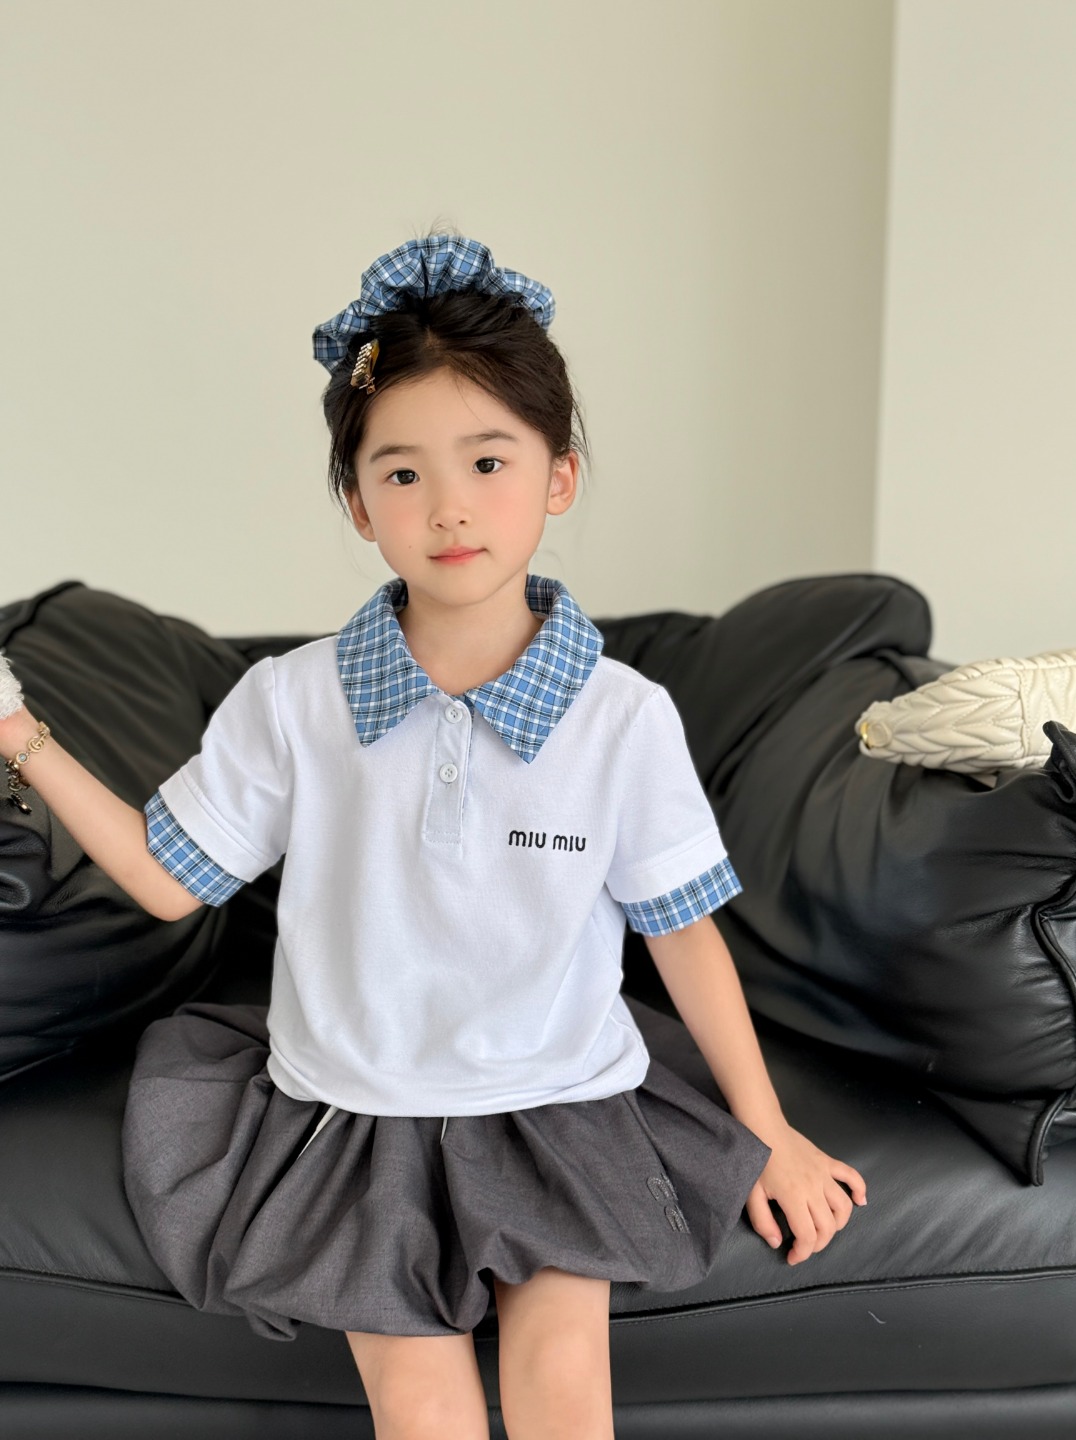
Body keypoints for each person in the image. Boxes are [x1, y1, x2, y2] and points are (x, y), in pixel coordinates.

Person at [0, 233, 867, 1440]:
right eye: (401, 473)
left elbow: (683, 936)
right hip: (356, 1116)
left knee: (564, 1388)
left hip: (563, 1103)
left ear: (560, 477)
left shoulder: (623, 717)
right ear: (359, 505)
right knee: (421, 1412)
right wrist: (17, 731)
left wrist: (766, 1130)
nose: (449, 506)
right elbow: (164, 879)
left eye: (489, 460)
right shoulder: (293, 703)